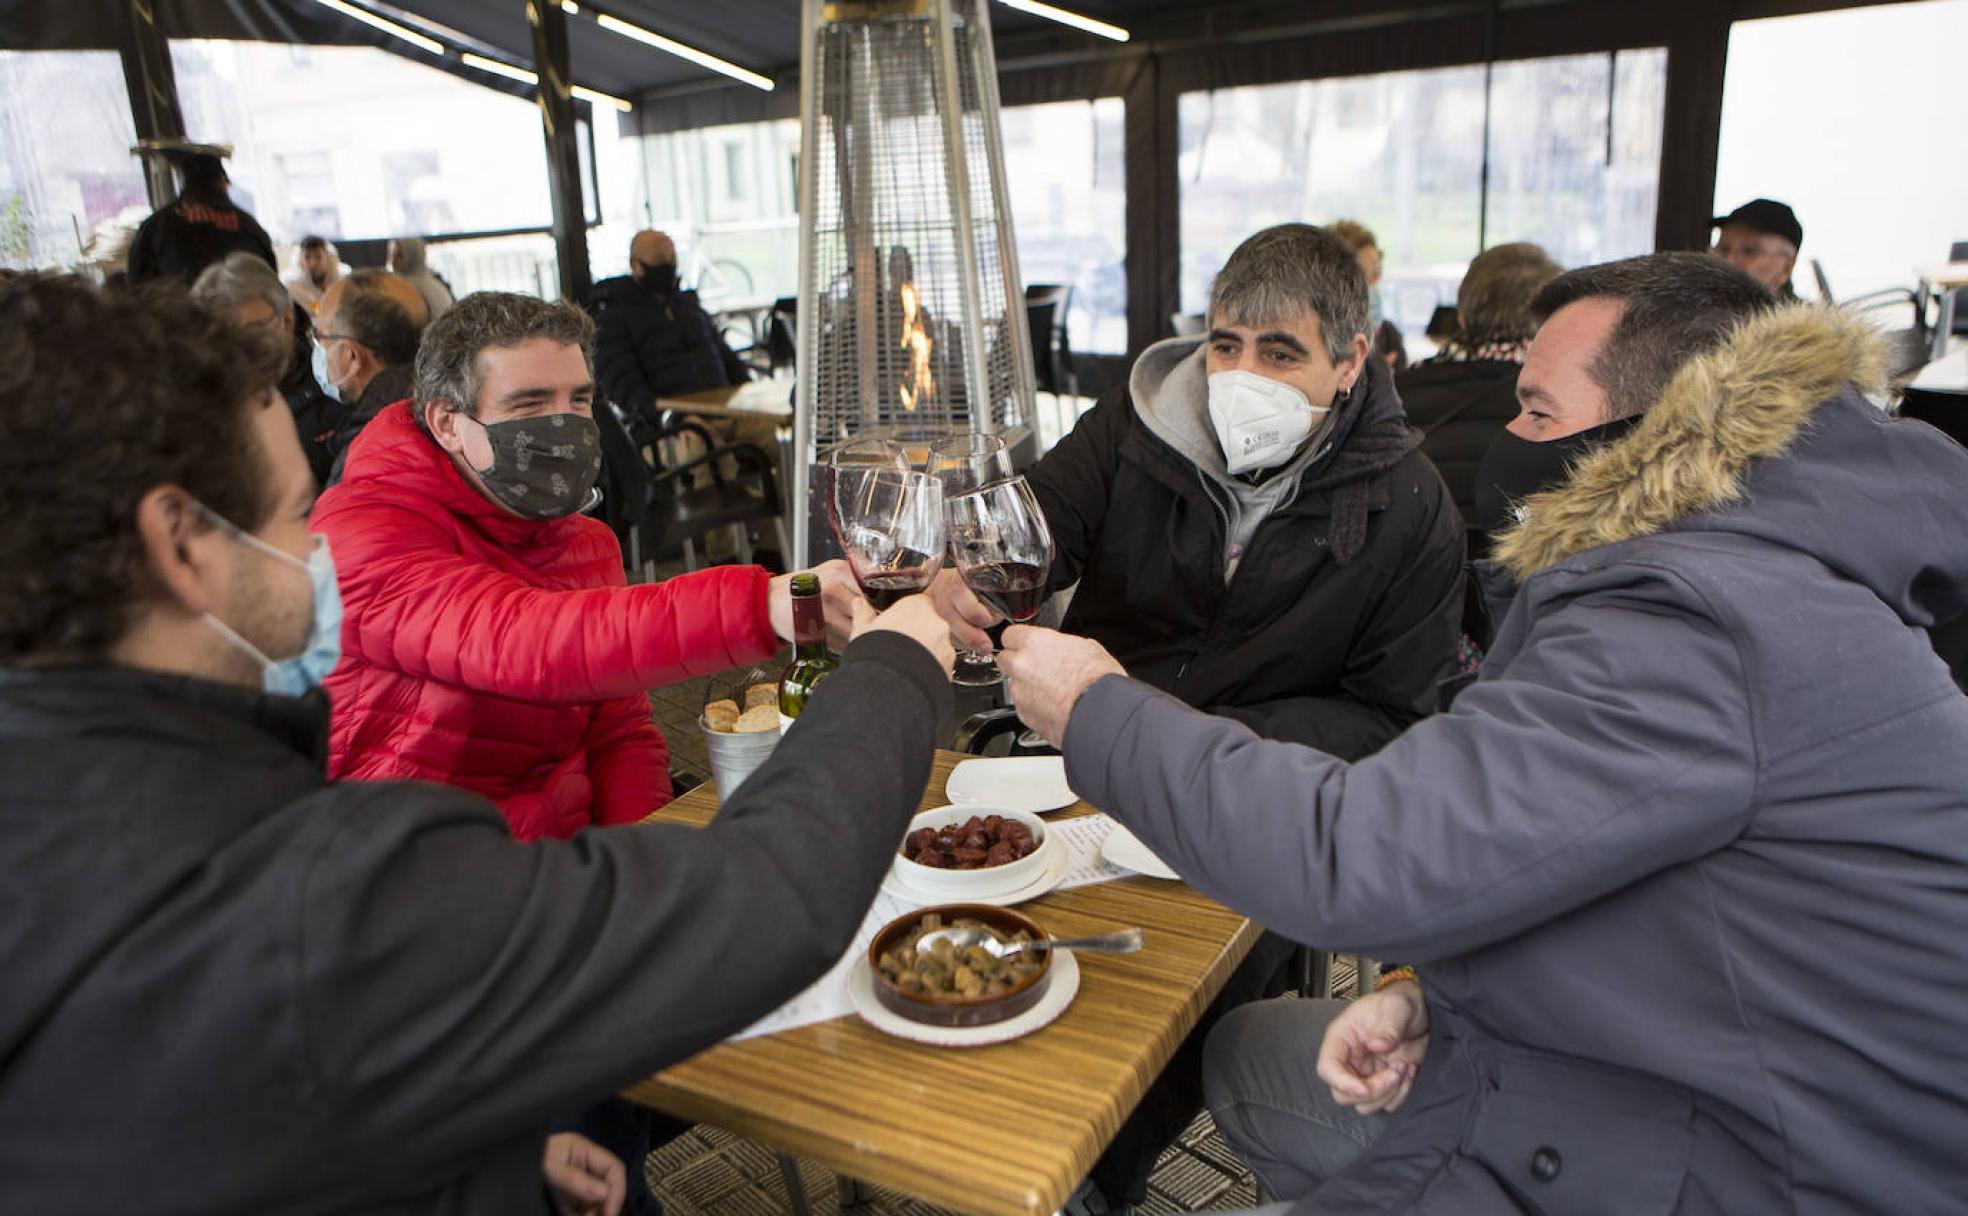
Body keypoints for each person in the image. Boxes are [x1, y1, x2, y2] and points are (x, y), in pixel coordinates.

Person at [997, 251, 1968, 1213]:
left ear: (1668, 432)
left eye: (1539, 411)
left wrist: (1097, 705)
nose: (1510, 435)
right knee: (1252, 1057)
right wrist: (1443, 1003)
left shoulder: (1694, 621)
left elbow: (1361, 850)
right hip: (1642, 1073)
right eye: (1225, 345)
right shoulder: (1745, 574)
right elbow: (1622, 858)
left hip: (1748, 1162)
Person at [0, 272, 957, 1212]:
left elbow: (278, 1113)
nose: (315, 549)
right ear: (180, 544)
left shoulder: (77, 810)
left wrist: (488, 1146)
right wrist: (888, 665)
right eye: (295, 519)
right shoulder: (315, 888)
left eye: (579, 398)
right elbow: (764, 894)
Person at [312, 290, 864, 841]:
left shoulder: (585, 541)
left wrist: (644, 859)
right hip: (403, 868)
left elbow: (619, 733)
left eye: (578, 400)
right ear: (447, 423)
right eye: (529, 405)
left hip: (562, 866)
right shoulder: (358, 530)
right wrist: (761, 602)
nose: (565, 426)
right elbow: (525, 641)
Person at [942, 222, 1464, 756]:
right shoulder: (1136, 423)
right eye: (1226, 346)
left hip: (1261, 790)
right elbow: (1039, 523)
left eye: (1279, 355)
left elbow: (1394, 718)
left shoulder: (1407, 504)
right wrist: (963, 577)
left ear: (1350, 361)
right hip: (1088, 757)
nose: (1243, 376)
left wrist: (1181, 736)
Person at [1398, 242, 1563, 600]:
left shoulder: (1395, 397)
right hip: (1525, 608)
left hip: (1412, 601)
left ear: (1462, 317)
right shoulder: (1570, 410)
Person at [192, 251, 345, 485]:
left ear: (287, 320)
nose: (237, 347)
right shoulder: (194, 404)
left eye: (252, 331)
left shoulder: (335, 383)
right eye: (221, 336)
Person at [592, 229, 751, 439]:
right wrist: (669, 418)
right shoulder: (613, 321)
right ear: (635, 265)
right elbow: (625, 388)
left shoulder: (689, 308)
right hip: (668, 429)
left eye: (671, 260)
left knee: (780, 433)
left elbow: (727, 359)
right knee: (697, 443)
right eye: (659, 261)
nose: (667, 267)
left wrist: (750, 395)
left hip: (725, 411)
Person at [315, 268, 428, 477]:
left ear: (351, 356)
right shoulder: (443, 410)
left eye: (319, 335)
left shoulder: (360, 459)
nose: (317, 348)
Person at [123, 146, 277, 285]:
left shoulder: (156, 226)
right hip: (240, 312)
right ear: (221, 181)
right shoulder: (248, 226)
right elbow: (270, 280)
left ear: (184, 182)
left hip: (178, 314)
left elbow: (138, 285)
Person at [1328, 219, 1407, 372]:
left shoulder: (1390, 336)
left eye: (1377, 272)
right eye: (1366, 276)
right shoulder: (1323, 343)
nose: (1376, 282)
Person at [1710, 198, 1802, 298]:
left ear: (1787, 267)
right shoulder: (1696, 309)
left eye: (1749, 252)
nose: (1728, 261)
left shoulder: (1808, 314)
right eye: (1723, 250)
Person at [389, 235, 456, 322]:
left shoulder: (412, 288)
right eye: (393, 255)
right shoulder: (432, 282)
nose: (393, 261)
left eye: (399, 256)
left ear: (411, 257)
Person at [286, 234, 344, 312]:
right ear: (300, 260)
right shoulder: (294, 284)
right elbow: (315, 309)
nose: (313, 263)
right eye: (307, 257)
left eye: (318, 257)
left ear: (327, 256)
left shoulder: (343, 277)